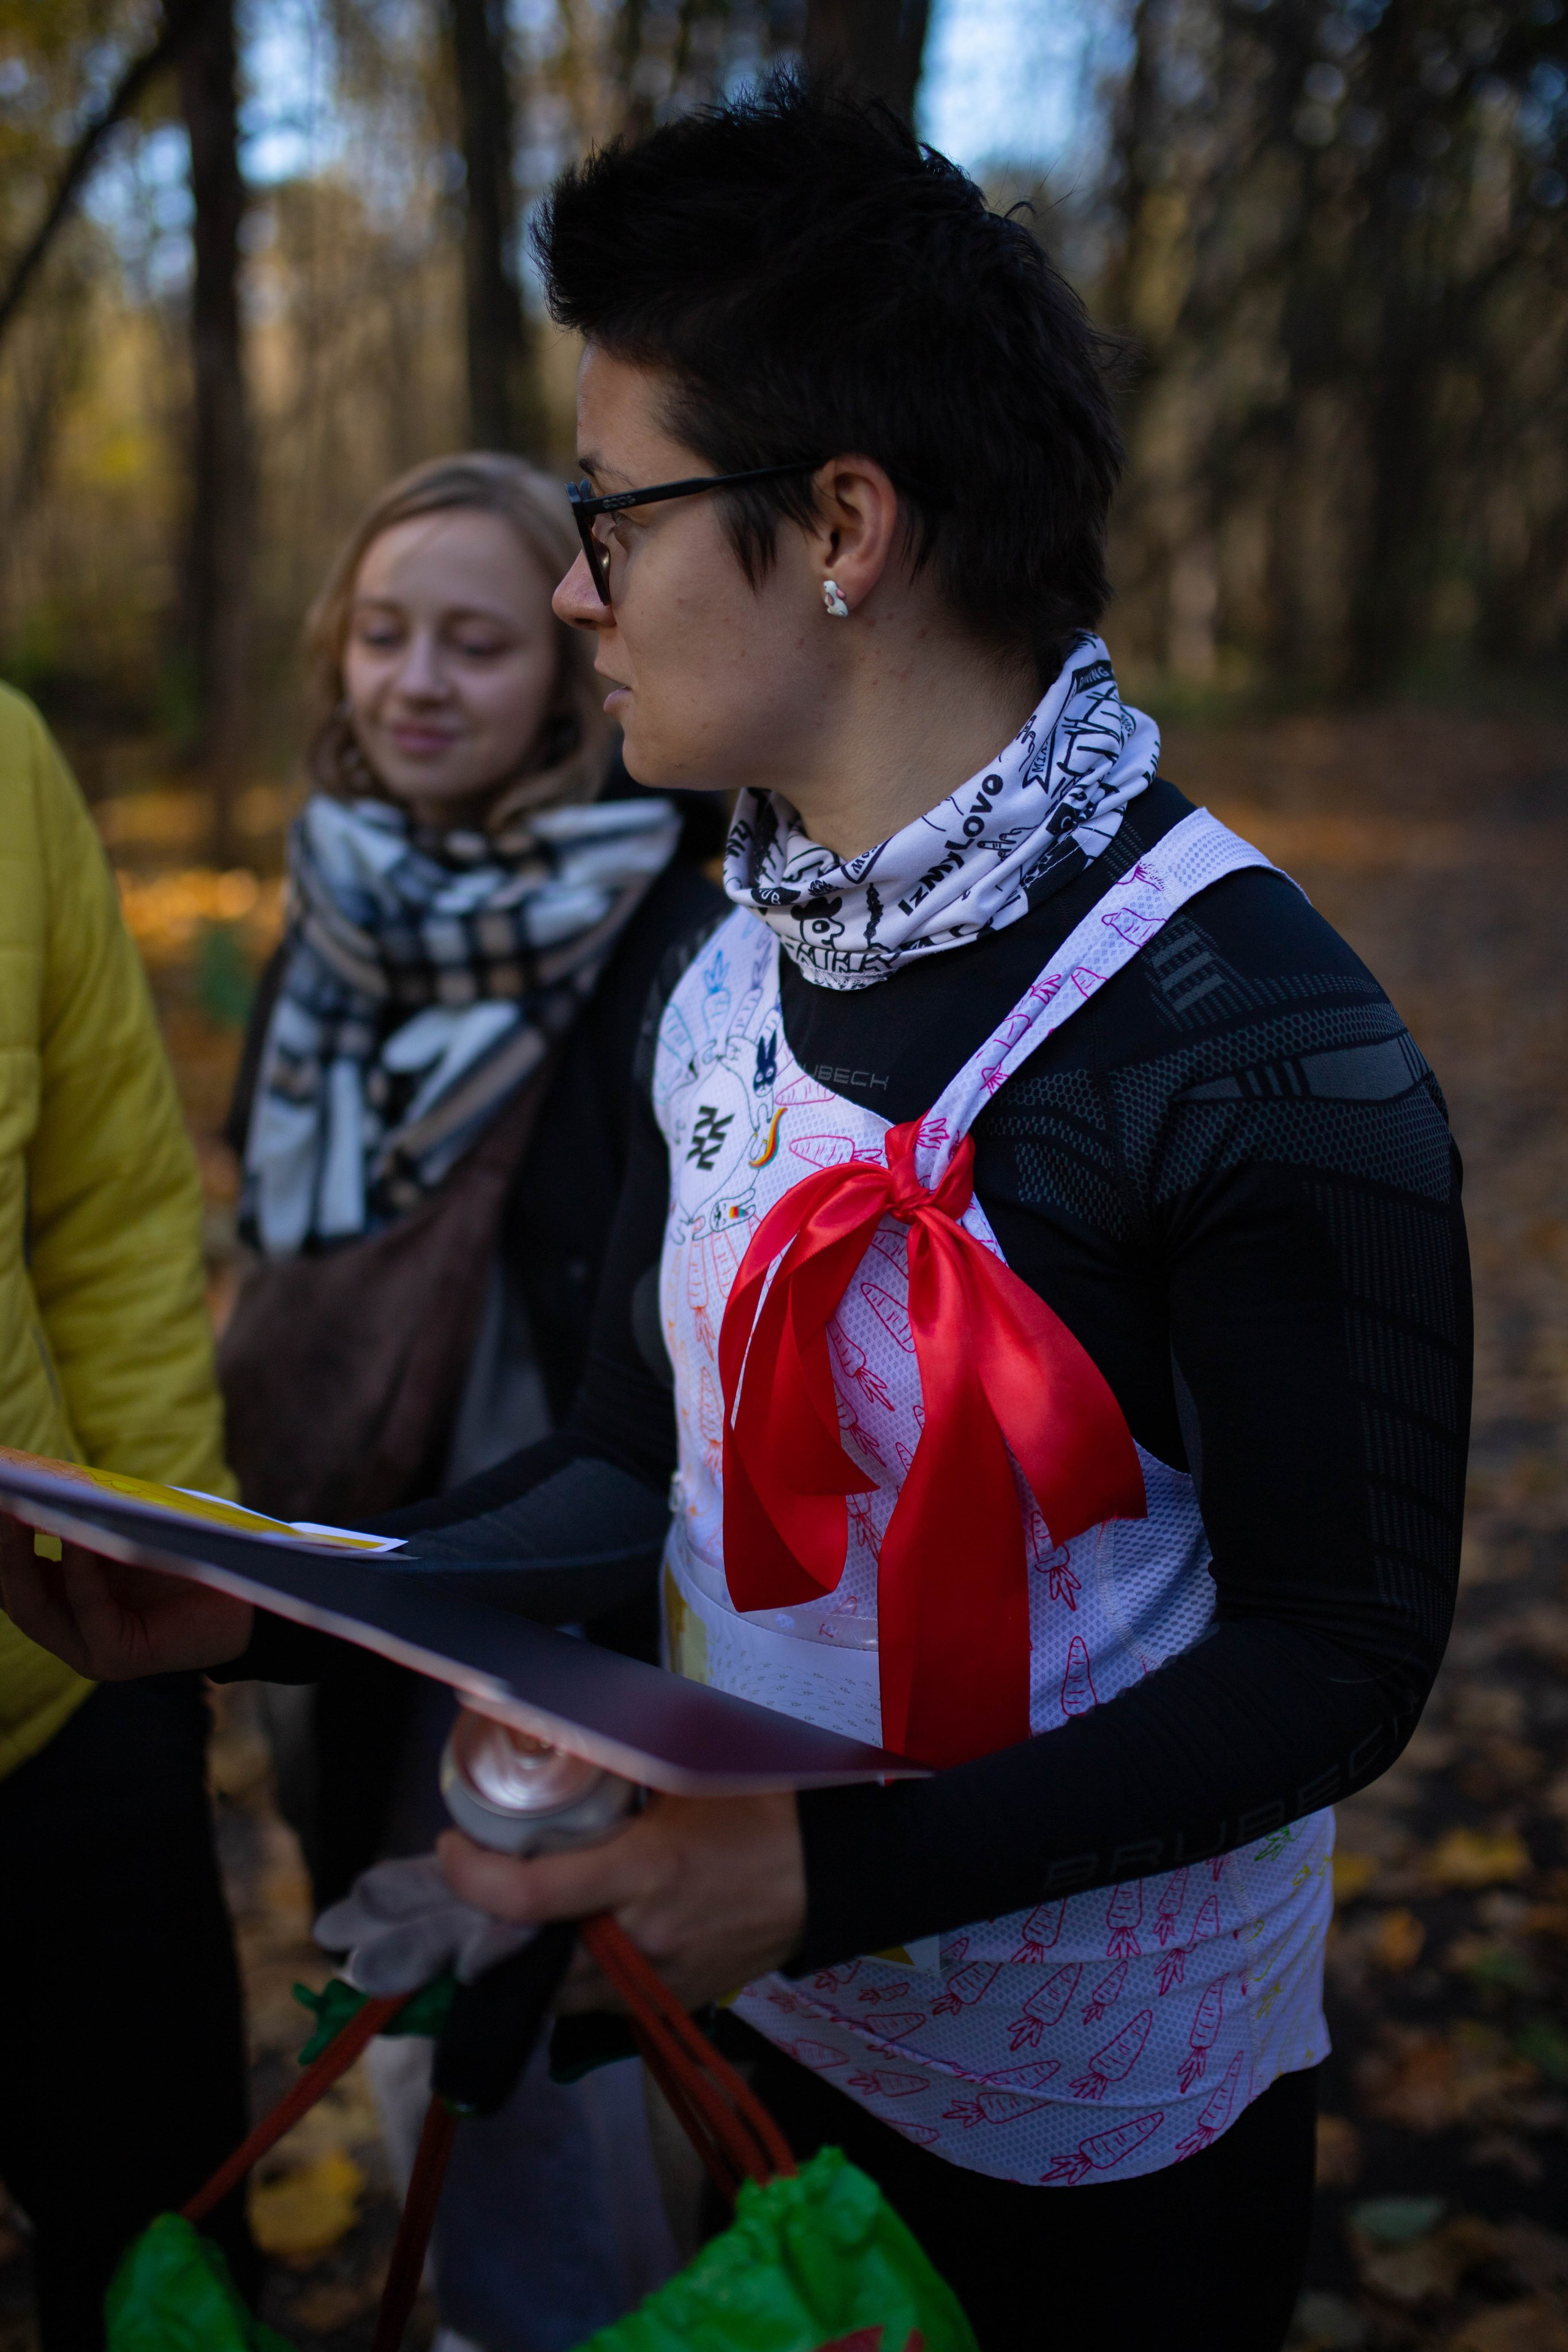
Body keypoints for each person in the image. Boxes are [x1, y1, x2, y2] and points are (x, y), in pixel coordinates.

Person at [0, 83, 1473, 2352]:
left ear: (846, 526)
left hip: (1106, 2133)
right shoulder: (727, 979)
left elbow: (1336, 1662)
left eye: (613, 512)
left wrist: (814, 1874)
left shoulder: (1253, 1037)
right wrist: (264, 1615)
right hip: (766, 2051)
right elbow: (629, 1471)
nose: (581, 585)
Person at [213, 451, 722, 2352]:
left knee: (572, 2054)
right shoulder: (328, 911)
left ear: (568, 668)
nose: (417, 681)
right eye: (383, 633)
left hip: (561, 1593)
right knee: (419, 2027)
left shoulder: (677, 934)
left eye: (479, 644)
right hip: (349, 1560)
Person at [0, 687, 255, 2347]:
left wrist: (160, 1568)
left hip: (61, 1704)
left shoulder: (7, 758)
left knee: (162, 2256)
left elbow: (108, 1210)